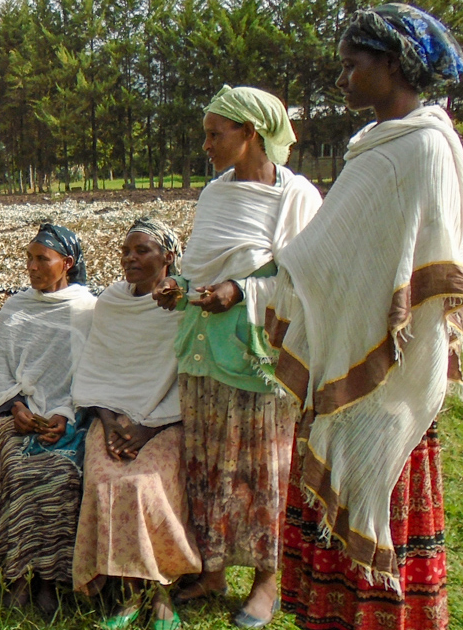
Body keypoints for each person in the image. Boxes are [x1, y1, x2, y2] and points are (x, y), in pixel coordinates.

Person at [266, 6, 463, 630]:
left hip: (387, 380)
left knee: (370, 498)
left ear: (391, 64)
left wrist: (261, 281)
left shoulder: (424, 146)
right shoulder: (375, 146)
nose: (343, 79)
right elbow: (336, 253)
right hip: (355, 360)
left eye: (353, 66)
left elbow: (413, 271)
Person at [150, 86, 322, 627]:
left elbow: (305, 283)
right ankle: (214, 569)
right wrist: (179, 287)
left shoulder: (296, 199)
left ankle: (267, 581)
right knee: (208, 464)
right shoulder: (215, 195)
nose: (205, 144)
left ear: (250, 134)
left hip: (260, 357)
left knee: (262, 469)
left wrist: (241, 293)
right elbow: (201, 268)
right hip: (203, 351)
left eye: (214, 133)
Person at [71, 218, 200, 630]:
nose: (130, 258)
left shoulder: (184, 308)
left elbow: (185, 377)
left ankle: (154, 590)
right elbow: (96, 369)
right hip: (111, 420)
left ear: (168, 257)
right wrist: (109, 424)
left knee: (143, 484)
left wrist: (148, 428)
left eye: (142, 250)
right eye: (126, 251)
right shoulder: (111, 302)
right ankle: (134, 596)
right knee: (108, 480)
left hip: (166, 423)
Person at [0, 224, 97, 617]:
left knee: (62, 474)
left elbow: (90, 377)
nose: (32, 267)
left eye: (42, 259)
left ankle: (49, 579)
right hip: (17, 415)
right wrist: (16, 408)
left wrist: (64, 415)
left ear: (66, 263)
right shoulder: (16, 308)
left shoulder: (86, 310)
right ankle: (17, 576)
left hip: (69, 419)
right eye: (29, 258)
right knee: (17, 467)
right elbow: (1, 375)